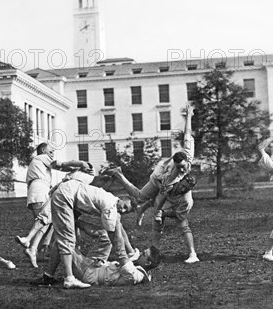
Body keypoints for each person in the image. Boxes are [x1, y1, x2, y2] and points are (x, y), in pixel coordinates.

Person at [106, 103, 200, 264]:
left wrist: (189, 116)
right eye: (180, 168)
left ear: (187, 162)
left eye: (184, 167)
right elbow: (161, 196)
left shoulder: (188, 155)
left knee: (181, 222)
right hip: (159, 178)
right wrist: (157, 212)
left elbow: (187, 133)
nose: (182, 170)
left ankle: (192, 254)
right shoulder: (172, 175)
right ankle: (119, 175)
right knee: (142, 198)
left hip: (174, 194)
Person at [50, 177, 136, 289]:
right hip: (66, 195)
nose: (123, 210)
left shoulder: (110, 198)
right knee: (66, 240)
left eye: (126, 211)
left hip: (69, 192)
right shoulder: (110, 206)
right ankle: (69, 278)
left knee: (66, 239)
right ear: (121, 198)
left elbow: (118, 229)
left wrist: (131, 252)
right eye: (125, 206)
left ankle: (48, 275)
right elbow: (114, 235)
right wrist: (124, 257)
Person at [16, 143, 92, 268]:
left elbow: (62, 168)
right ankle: (32, 243)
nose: (52, 154)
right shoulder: (41, 157)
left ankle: (35, 248)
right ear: (43, 150)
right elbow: (60, 165)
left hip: (39, 190)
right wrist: (81, 164)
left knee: (48, 220)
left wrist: (75, 169)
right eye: (50, 151)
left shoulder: (40, 162)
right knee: (45, 219)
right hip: (40, 190)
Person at [34, 218, 158, 287]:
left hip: (90, 274)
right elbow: (124, 243)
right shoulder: (142, 266)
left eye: (143, 254)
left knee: (62, 243)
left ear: (147, 262)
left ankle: (48, 276)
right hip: (98, 265)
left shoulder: (136, 276)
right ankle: (76, 221)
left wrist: (116, 224)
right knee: (105, 235)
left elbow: (120, 251)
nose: (140, 253)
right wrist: (118, 223)